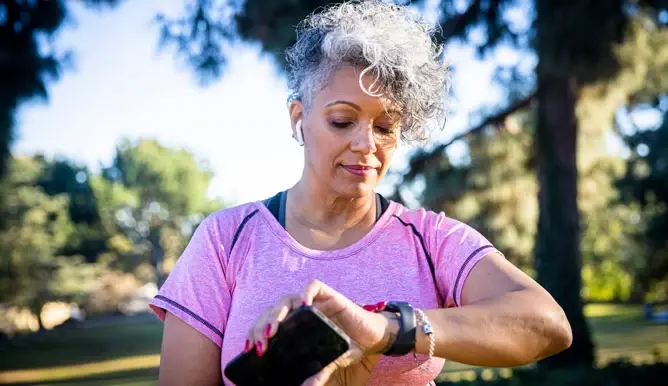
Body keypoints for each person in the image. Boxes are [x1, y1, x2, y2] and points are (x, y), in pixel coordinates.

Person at [149, 1, 573, 385]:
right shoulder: (225, 241)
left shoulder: (431, 240)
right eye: (341, 121)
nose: (366, 144)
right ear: (299, 118)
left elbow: (548, 325)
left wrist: (386, 331)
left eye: (385, 127)